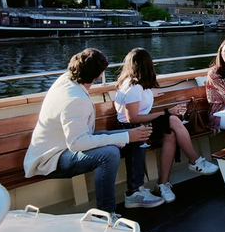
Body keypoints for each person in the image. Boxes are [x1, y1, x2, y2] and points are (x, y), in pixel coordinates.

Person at [23, 48, 152, 214]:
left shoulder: (66, 81)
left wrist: (128, 136)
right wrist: (126, 136)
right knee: (110, 153)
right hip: (53, 158)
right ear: (96, 76)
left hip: (63, 145)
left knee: (133, 135)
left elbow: (81, 137)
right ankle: (106, 213)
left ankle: (135, 191)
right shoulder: (75, 99)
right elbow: (77, 143)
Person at [115, 48, 219, 207]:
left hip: (140, 124)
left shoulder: (138, 85)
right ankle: (195, 161)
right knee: (173, 120)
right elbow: (132, 118)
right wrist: (165, 113)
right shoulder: (133, 87)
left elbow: (143, 96)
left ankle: (163, 184)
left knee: (170, 133)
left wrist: (153, 93)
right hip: (131, 127)